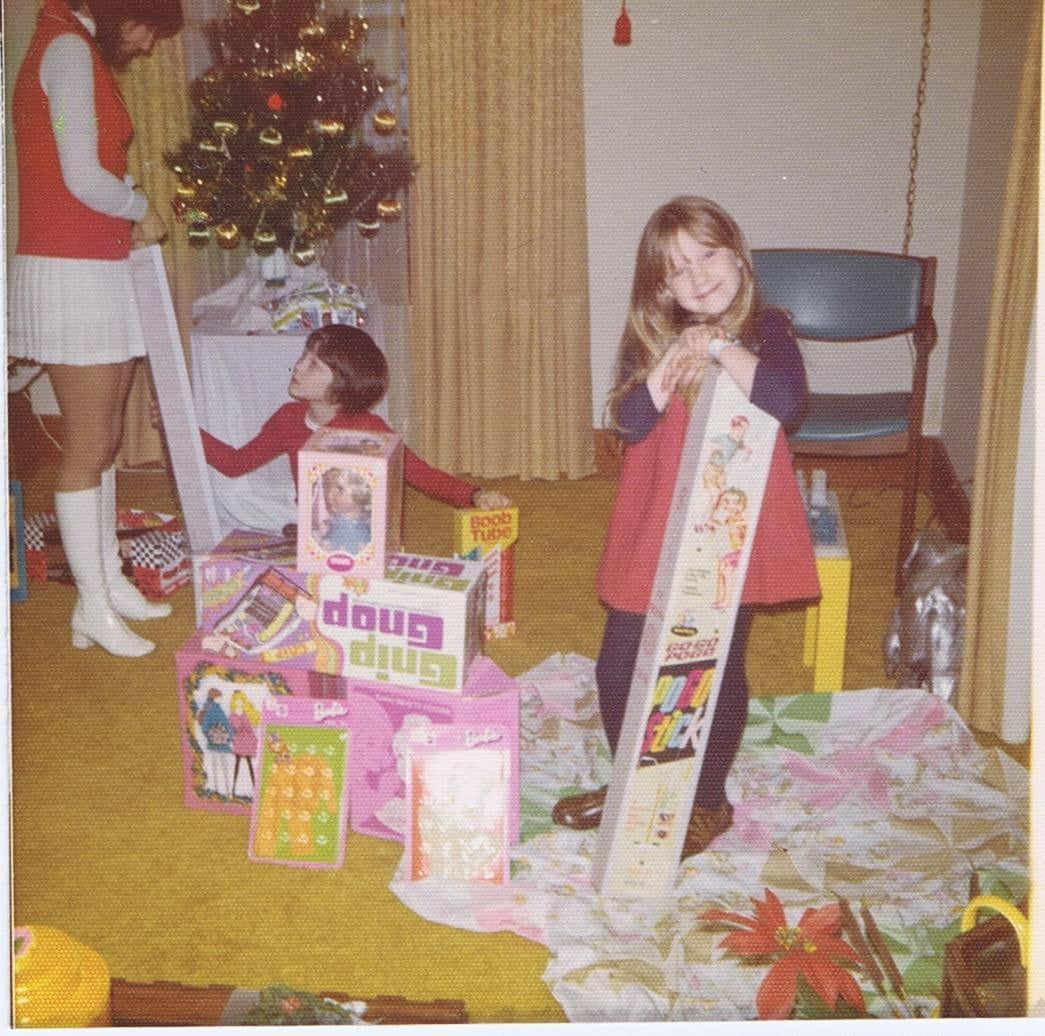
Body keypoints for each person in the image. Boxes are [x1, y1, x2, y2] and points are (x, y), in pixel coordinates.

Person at [552, 196, 820, 857]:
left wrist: (723, 346)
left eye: (706, 255)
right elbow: (628, 423)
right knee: (616, 667)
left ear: (736, 254)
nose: (697, 276)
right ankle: (630, 785)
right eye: (676, 269)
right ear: (659, 286)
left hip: (732, 528)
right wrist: (666, 370)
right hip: (656, 523)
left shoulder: (768, 329)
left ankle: (707, 802)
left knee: (715, 667)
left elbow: (785, 403)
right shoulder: (649, 335)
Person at [7, 0, 183, 658]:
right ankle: (91, 605)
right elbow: (82, 176)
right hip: (70, 270)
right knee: (86, 441)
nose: (143, 46)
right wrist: (141, 207)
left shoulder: (72, 46)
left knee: (105, 435)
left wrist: (129, 209)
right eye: (145, 28)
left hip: (96, 264)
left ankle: (108, 580)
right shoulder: (66, 48)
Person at [198, 324, 512, 513]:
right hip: (312, 524)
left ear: (342, 383)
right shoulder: (287, 419)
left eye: (314, 365)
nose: (297, 367)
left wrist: (474, 494)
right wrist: (182, 429)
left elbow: (418, 473)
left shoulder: (368, 428)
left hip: (364, 533)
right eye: (304, 356)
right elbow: (235, 463)